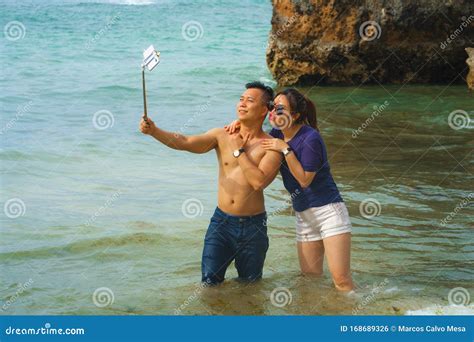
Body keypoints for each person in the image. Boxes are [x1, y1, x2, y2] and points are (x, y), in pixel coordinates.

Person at [139, 82, 282, 285]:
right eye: (241, 99)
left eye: (250, 101)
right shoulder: (222, 135)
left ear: (265, 110)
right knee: (209, 284)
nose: (242, 104)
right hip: (221, 223)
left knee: (250, 286)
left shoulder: (271, 146)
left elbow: (258, 182)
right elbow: (185, 142)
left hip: (253, 226)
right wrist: (154, 131)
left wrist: (238, 150)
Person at [225, 88, 354, 291]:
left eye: (280, 109)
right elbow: (255, 131)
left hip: (329, 212)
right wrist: (238, 124)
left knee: (342, 281)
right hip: (303, 215)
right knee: (310, 279)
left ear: (295, 115)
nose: (273, 112)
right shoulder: (278, 134)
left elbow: (304, 180)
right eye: (272, 107)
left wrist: (285, 149)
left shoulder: (310, 138)